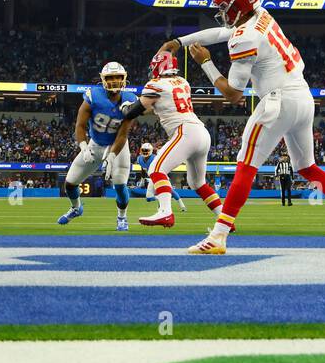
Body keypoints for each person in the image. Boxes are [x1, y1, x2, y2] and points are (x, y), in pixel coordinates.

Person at [161, 0, 325, 254]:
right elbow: (224, 33)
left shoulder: (244, 37)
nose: (220, 12)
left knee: (246, 164)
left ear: (236, 6)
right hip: (302, 97)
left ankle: (218, 237)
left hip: (277, 102)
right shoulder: (261, 13)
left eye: (224, 7)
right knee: (306, 166)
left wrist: (206, 63)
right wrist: (179, 42)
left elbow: (233, 94)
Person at [119, 51, 220, 227]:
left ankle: (165, 213)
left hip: (185, 132)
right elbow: (157, 106)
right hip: (201, 133)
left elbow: (133, 112)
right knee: (198, 183)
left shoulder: (156, 84)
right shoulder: (183, 82)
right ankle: (225, 218)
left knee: (156, 169)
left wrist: (127, 107)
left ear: (158, 66)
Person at [59, 62, 138, 230]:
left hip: (118, 147)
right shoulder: (93, 96)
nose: (115, 81)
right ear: (103, 79)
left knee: (119, 184)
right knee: (70, 183)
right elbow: (80, 126)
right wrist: (83, 147)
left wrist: (111, 156)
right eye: (110, 77)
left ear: (124, 79)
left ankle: (122, 217)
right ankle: (76, 208)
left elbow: (123, 134)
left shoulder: (131, 100)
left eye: (118, 77)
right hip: (95, 144)